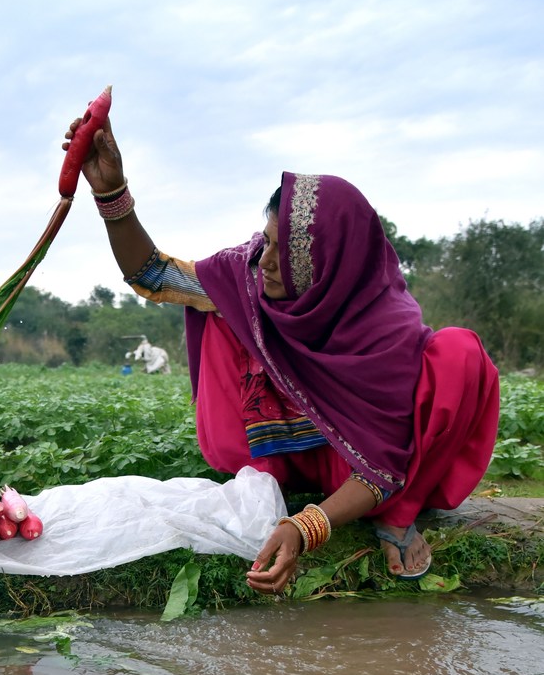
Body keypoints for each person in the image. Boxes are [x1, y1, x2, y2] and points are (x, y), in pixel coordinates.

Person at [64, 115, 500, 596]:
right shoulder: (251, 278)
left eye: (281, 251)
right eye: (266, 241)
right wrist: (111, 192)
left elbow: (382, 467)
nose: (264, 260)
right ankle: (269, 483)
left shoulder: (384, 331)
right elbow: (155, 275)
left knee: (460, 353)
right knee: (221, 309)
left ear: (327, 264)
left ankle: (398, 518)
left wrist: (305, 526)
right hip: (284, 454)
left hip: (364, 468)